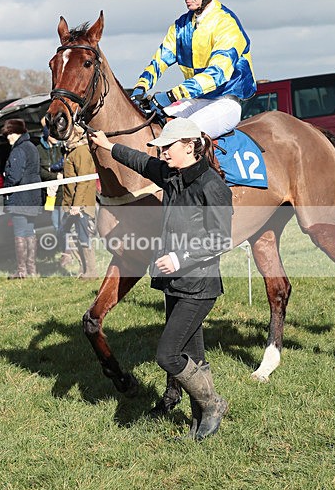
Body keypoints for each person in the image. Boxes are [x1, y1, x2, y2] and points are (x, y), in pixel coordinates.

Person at [88, 117, 232, 441]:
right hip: (174, 285)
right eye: (161, 147)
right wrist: (108, 145)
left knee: (167, 354)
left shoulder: (213, 187)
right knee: (194, 357)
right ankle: (199, 426)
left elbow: (221, 239)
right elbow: (139, 160)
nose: (162, 152)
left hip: (199, 286)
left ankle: (213, 404)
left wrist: (180, 258)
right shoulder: (170, 174)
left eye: (167, 147)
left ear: (189, 146)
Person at [131, 0, 256, 139]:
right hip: (196, 100)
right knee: (151, 125)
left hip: (225, 102)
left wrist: (171, 96)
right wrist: (141, 86)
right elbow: (160, 60)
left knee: (182, 136)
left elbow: (217, 75)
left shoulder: (227, 25)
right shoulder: (181, 26)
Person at [3, 118, 43, 278]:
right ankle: (32, 270)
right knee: (29, 232)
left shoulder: (18, 150)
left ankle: (22, 270)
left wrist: (6, 180)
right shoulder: (32, 147)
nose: (8, 138)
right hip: (33, 198)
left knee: (20, 232)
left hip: (20, 198)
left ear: (17, 132)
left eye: (10, 133)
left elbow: (15, 176)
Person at [60, 128, 97, 278]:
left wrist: (77, 205)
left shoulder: (81, 151)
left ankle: (91, 272)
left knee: (83, 236)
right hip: (71, 204)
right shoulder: (71, 151)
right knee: (66, 233)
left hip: (80, 205)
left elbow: (83, 181)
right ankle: (84, 269)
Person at [37, 129, 65, 231]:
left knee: (65, 221)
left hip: (63, 190)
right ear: (46, 135)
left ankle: (67, 243)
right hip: (50, 192)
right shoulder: (39, 150)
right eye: (52, 135)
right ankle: (62, 243)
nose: (55, 137)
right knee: (55, 222)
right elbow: (39, 171)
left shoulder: (63, 148)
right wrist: (55, 176)